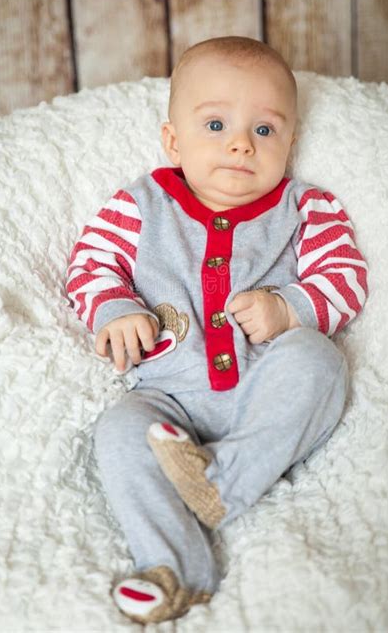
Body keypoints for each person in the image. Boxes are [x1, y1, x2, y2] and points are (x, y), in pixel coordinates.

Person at [65, 36, 368, 624]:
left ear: (291, 143)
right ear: (172, 140)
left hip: (266, 388)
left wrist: (291, 307)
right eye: (215, 125)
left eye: (263, 130)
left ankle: (223, 482)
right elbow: (91, 263)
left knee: (320, 361)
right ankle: (176, 570)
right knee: (119, 431)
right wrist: (113, 308)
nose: (239, 143)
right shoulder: (141, 204)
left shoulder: (307, 208)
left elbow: (345, 278)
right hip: (168, 397)